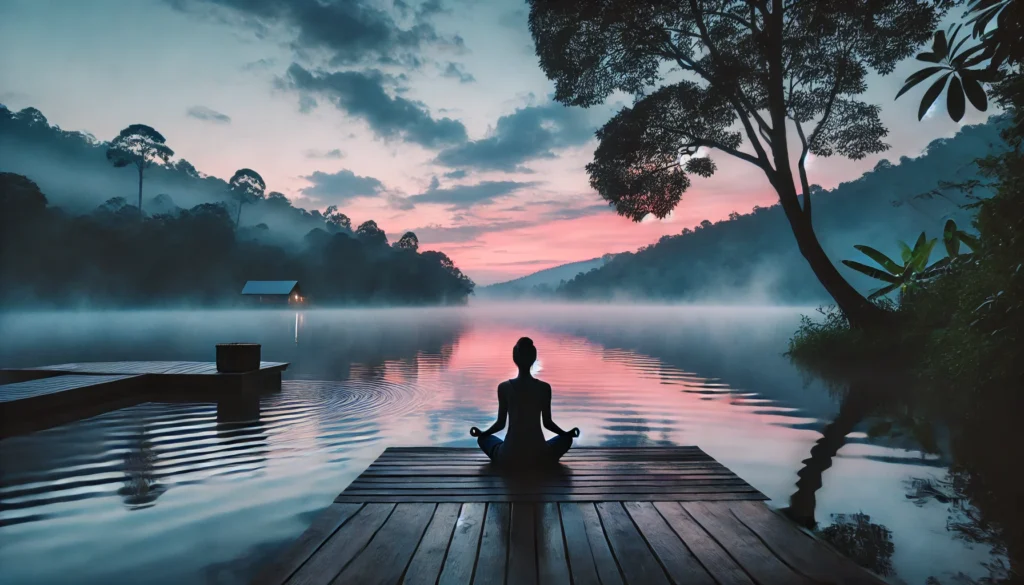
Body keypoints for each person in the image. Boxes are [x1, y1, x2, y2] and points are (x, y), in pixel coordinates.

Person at [470, 337, 580, 468]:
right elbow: (547, 423)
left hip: (509, 456)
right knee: (566, 439)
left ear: (515, 358)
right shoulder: (544, 388)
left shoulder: (504, 387)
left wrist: (482, 433)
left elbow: (500, 424)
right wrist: (566, 434)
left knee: (484, 439)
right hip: (540, 455)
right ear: (534, 358)